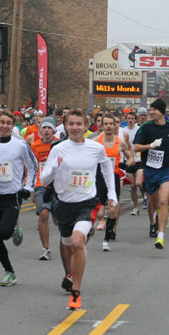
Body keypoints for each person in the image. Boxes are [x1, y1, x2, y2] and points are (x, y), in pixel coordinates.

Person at [41, 108, 117, 309]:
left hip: (87, 203)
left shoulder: (96, 148)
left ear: (86, 126)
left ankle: (76, 291)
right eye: (71, 124)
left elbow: (107, 168)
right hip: (64, 205)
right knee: (68, 243)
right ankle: (81, 239)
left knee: (76, 242)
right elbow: (44, 178)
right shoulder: (58, 148)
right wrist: (55, 169)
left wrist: (112, 194)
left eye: (79, 124)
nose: (75, 127)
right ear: (65, 126)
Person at [0, 111, 38, 286]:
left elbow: (34, 167)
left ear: (13, 126)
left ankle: (13, 227)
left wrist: (28, 188)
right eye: (2, 123)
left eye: (8, 123)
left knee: (4, 233)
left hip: (12, 196)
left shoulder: (20, 145)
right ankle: (9, 271)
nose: (4, 126)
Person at [132, 99, 169, 249]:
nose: (151, 112)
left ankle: (161, 235)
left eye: (154, 109)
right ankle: (152, 223)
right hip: (150, 169)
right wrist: (150, 146)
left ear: (162, 111)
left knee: (163, 201)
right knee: (153, 203)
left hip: (166, 169)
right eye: (150, 109)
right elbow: (136, 148)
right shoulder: (146, 127)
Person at [96, 112, 132, 251]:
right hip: (99, 178)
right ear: (102, 125)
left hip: (114, 178)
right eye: (106, 124)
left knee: (112, 209)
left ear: (115, 125)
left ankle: (106, 239)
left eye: (111, 123)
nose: (109, 126)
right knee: (99, 213)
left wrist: (126, 164)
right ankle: (95, 223)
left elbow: (131, 158)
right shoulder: (96, 141)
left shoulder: (120, 142)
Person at [30, 116, 58, 260]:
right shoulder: (35, 146)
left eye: (49, 128)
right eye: (44, 128)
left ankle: (67, 242)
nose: (46, 131)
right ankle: (45, 248)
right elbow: (31, 168)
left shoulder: (60, 144)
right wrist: (30, 187)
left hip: (57, 185)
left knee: (58, 220)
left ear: (54, 130)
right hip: (41, 184)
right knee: (43, 214)